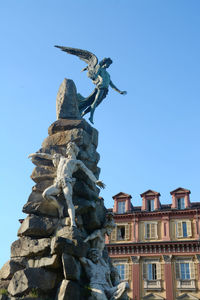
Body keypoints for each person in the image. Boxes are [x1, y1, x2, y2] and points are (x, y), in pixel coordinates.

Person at [28, 142, 105, 227]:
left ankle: (73, 222)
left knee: (69, 201)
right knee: (45, 194)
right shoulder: (61, 158)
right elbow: (48, 156)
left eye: (69, 148)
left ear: (73, 150)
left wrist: (96, 181)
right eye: (67, 147)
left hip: (67, 182)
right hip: (57, 182)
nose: (67, 149)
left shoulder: (77, 162)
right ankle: (59, 207)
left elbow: (87, 171)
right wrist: (36, 154)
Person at [79, 57, 127, 124]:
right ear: (105, 63)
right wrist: (90, 72)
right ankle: (91, 117)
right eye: (108, 64)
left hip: (105, 90)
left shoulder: (108, 75)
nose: (108, 65)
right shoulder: (100, 69)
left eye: (109, 64)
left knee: (96, 104)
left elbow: (112, 84)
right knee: (95, 102)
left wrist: (119, 91)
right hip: (100, 87)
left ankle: (84, 113)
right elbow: (95, 76)